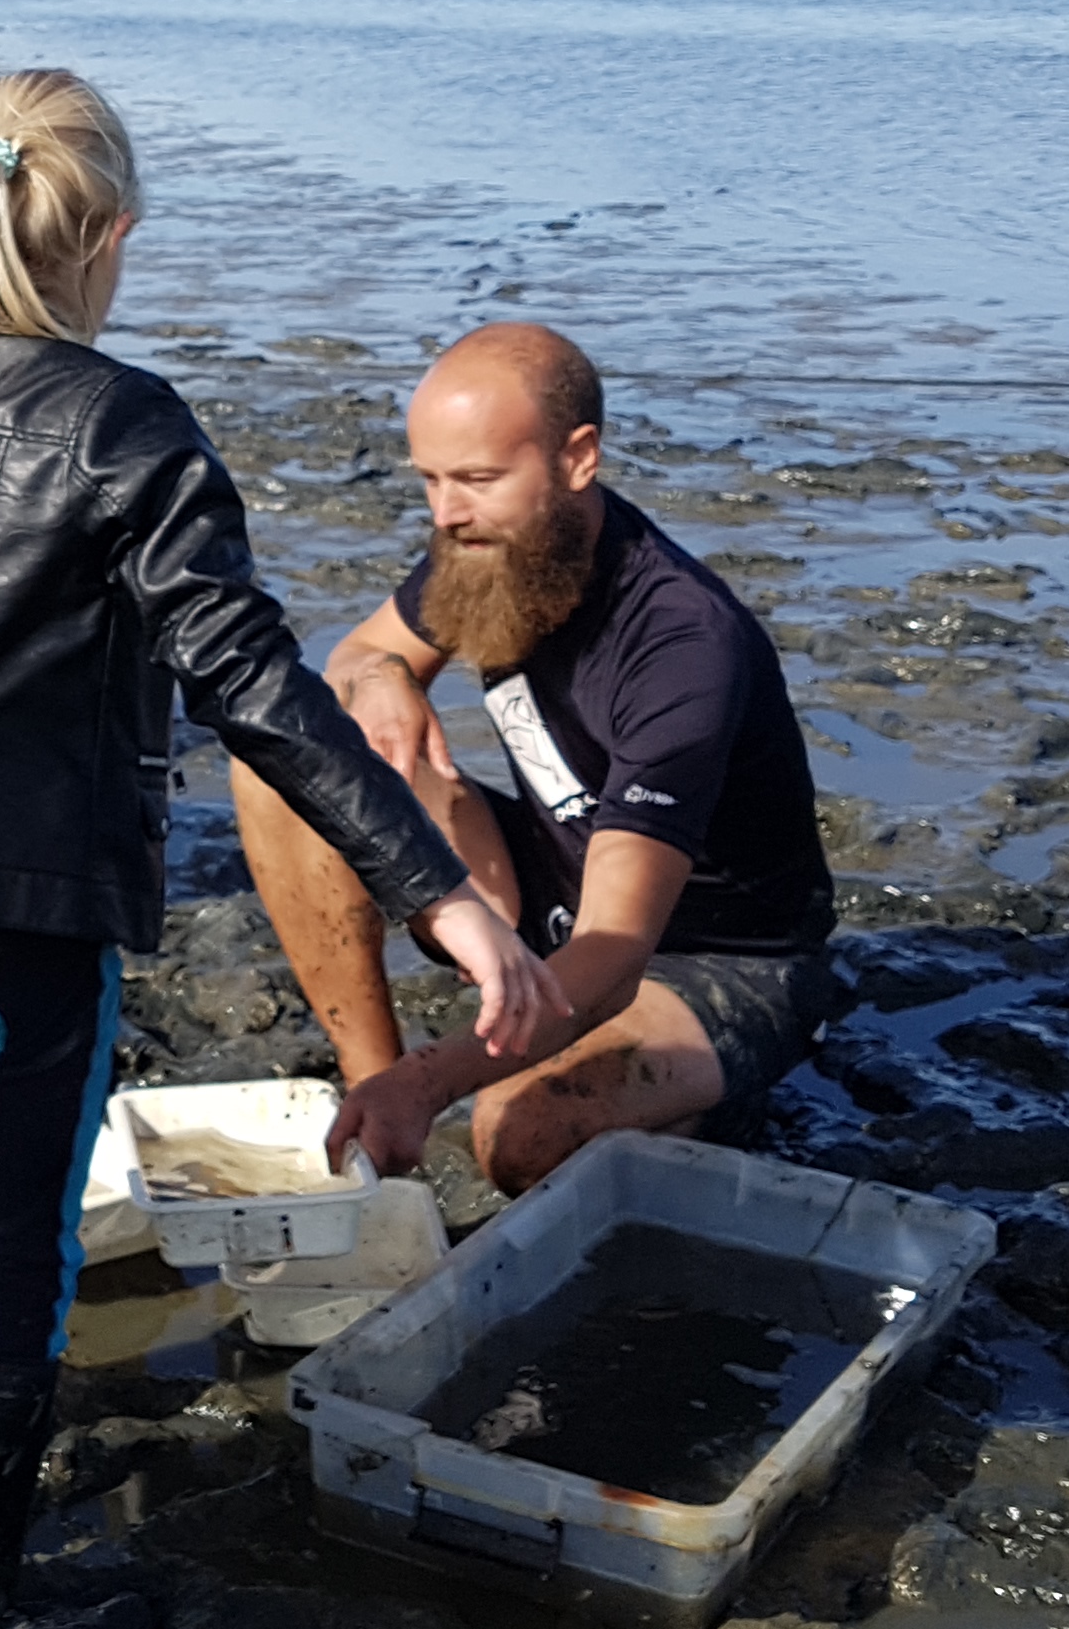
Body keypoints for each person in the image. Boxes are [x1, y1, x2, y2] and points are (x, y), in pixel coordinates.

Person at [0, 73, 564, 1629]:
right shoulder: (126, 425)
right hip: (9, 928)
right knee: (11, 1256)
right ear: (110, 237)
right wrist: (442, 895)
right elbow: (258, 686)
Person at [234, 319, 839, 1200]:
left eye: (477, 479)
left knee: (517, 1135)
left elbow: (613, 951)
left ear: (578, 458)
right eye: (431, 481)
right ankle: (373, 1085)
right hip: (549, 881)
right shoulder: (482, 543)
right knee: (283, 769)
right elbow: (357, 658)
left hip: (711, 958)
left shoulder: (682, 647)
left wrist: (442, 1079)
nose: (446, 513)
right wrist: (387, 676)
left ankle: (708, 1104)